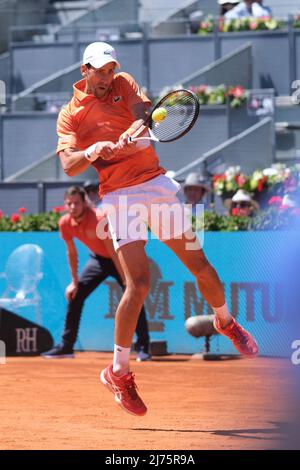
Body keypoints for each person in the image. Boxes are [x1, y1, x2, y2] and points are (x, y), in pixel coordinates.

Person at [56, 41, 258, 417]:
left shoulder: (123, 83)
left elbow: (144, 116)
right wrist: (92, 151)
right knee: (139, 285)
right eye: (98, 70)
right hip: (118, 196)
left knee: (200, 265)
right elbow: (68, 164)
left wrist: (133, 130)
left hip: (154, 183)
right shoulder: (70, 115)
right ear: (84, 70)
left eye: (110, 68)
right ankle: (118, 373)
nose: (106, 76)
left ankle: (226, 322)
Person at [42, 186, 151, 362]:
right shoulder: (64, 223)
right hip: (98, 260)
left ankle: (144, 348)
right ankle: (66, 346)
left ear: (84, 202)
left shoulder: (99, 218)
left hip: (119, 257)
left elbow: (114, 251)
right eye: (69, 203)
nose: (72, 207)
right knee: (75, 295)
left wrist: (126, 279)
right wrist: (74, 282)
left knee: (134, 295)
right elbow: (71, 252)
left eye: (76, 203)